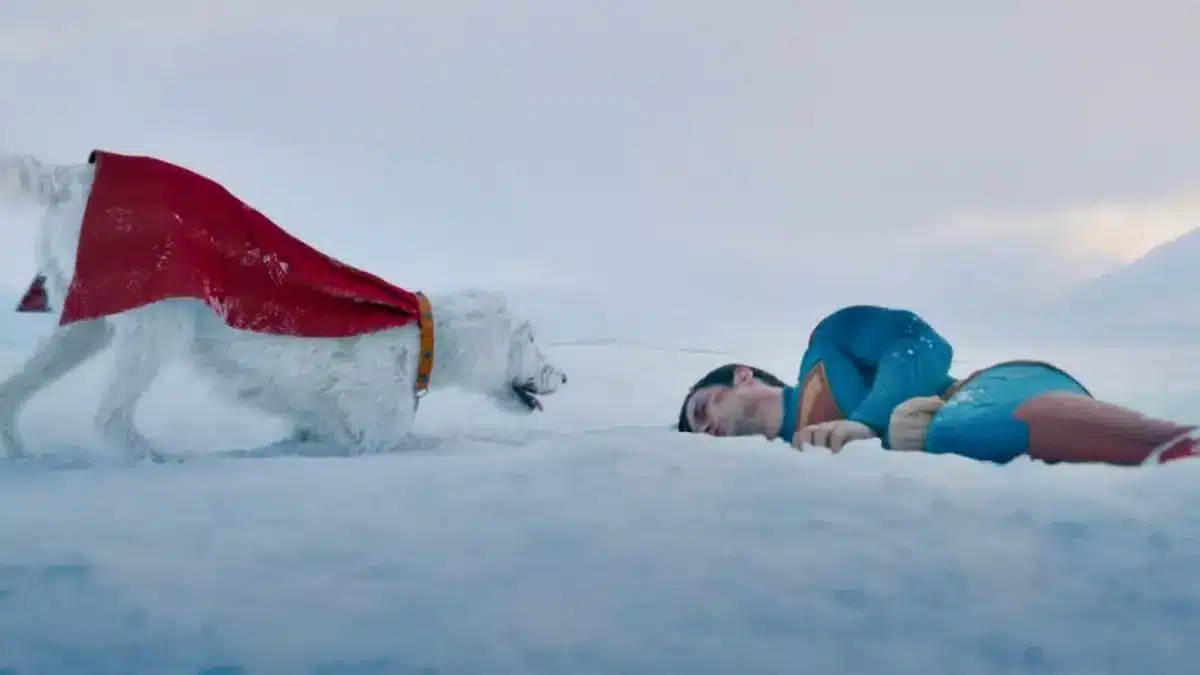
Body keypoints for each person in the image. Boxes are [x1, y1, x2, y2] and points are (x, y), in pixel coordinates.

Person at [676, 305, 1199, 466]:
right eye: (695, 434)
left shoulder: (827, 348)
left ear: (742, 375)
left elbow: (919, 343)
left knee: (940, 428)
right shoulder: (790, 461)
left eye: (702, 409)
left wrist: (867, 423)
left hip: (1001, 388)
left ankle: (1184, 447)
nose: (704, 429)